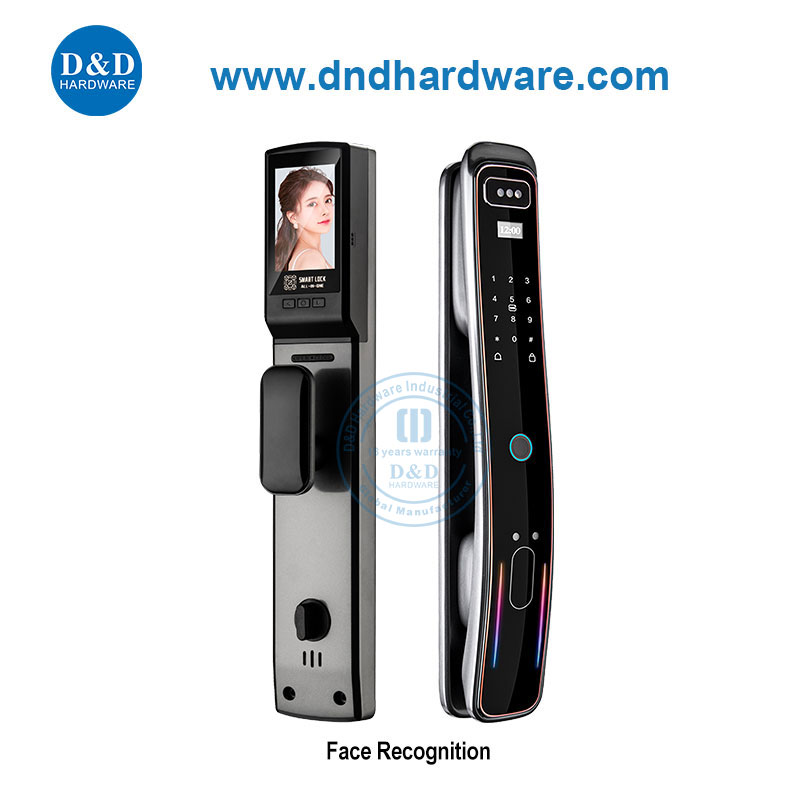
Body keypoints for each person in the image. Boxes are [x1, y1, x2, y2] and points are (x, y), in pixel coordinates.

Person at [275, 168, 335, 271]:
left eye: (327, 200)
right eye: (312, 204)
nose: (325, 210)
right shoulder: (311, 259)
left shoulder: (305, 255)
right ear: (293, 217)